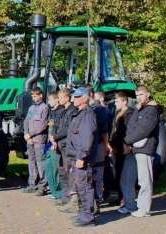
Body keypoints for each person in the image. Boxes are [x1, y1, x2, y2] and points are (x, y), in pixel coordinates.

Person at [122, 85, 160, 217]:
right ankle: (137, 206)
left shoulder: (152, 110)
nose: (138, 98)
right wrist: (137, 110)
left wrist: (127, 141)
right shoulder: (140, 109)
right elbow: (131, 125)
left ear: (148, 94)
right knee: (134, 179)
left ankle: (144, 209)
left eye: (141, 95)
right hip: (135, 148)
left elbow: (143, 130)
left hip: (145, 148)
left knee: (145, 181)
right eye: (137, 95)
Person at [66, 86, 97, 227]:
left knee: (85, 187)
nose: (74, 99)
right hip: (75, 156)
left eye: (77, 97)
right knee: (80, 186)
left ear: (85, 98)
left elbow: (87, 137)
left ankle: (88, 217)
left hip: (81, 158)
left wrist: (81, 157)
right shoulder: (80, 113)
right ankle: (83, 214)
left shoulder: (87, 115)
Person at [53, 88, 78, 210]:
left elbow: (68, 128)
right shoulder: (62, 111)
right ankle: (64, 196)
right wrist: (53, 137)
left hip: (67, 145)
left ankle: (71, 198)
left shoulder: (73, 111)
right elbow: (56, 124)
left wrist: (55, 136)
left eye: (61, 97)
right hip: (59, 144)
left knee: (69, 172)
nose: (59, 99)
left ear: (67, 97)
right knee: (62, 171)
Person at [21, 87, 49, 194]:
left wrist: (30, 135)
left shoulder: (44, 107)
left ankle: (43, 186)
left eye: (35, 95)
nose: (33, 97)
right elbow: (26, 121)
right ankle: (32, 184)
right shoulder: (31, 108)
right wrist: (26, 134)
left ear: (41, 95)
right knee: (31, 162)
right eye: (32, 95)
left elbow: (43, 125)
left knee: (41, 162)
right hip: (30, 140)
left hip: (39, 140)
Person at [109, 92, 134, 205]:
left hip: (124, 146)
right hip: (116, 146)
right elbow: (114, 129)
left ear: (124, 101)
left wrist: (127, 144)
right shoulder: (118, 112)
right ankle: (120, 196)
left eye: (117, 101)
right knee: (117, 171)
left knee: (124, 172)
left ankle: (125, 198)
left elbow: (127, 131)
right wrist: (110, 144)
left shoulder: (130, 113)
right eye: (115, 101)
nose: (115, 103)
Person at [89, 89, 110, 208]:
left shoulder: (100, 109)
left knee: (97, 174)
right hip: (88, 146)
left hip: (97, 145)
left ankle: (97, 199)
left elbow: (104, 131)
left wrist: (106, 145)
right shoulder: (87, 109)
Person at [45, 91, 64, 199]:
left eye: (50, 100)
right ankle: (54, 191)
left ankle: (59, 192)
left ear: (57, 99)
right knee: (49, 167)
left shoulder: (61, 111)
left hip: (55, 143)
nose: (48, 102)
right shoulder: (52, 112)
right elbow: (50, 127)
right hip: (49, 143)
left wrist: (54, 141)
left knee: (56, 168)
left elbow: (60, 129)